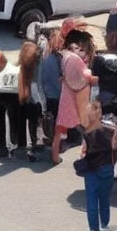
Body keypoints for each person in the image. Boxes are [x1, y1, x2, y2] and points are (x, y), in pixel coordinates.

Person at [52, 29, 97, 165]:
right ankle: (86, 155)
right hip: (80, 97)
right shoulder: (76, 60)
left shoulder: (65, 57)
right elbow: (84, 78)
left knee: (60, 127)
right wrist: (92, 76)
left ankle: (55, 156)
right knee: (86, 127)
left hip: (66, 95)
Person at [79, 100, 117, 231]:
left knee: (91, 200)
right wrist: (116, 134)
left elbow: (83, 152)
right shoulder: (110, 129)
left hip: (91, 168)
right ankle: (104, 226)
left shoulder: (86, 130)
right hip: (106, 167)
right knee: (104, 199)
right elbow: (114, 147)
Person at [17, 41, 46, 161]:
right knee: (34, 123)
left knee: (24, 122)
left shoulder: (22, 66)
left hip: (24, 95)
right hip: (35, 98)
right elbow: (38, 84)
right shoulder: (37, 63)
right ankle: (34, 145)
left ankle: (25, 145)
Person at [41, 28, 63, 142]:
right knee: (55, 118)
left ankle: (48, 136)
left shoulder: (43, 56)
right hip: (57, 93)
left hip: (46, 92)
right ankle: (54, 140)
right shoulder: (59, 58)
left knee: (48, 115)